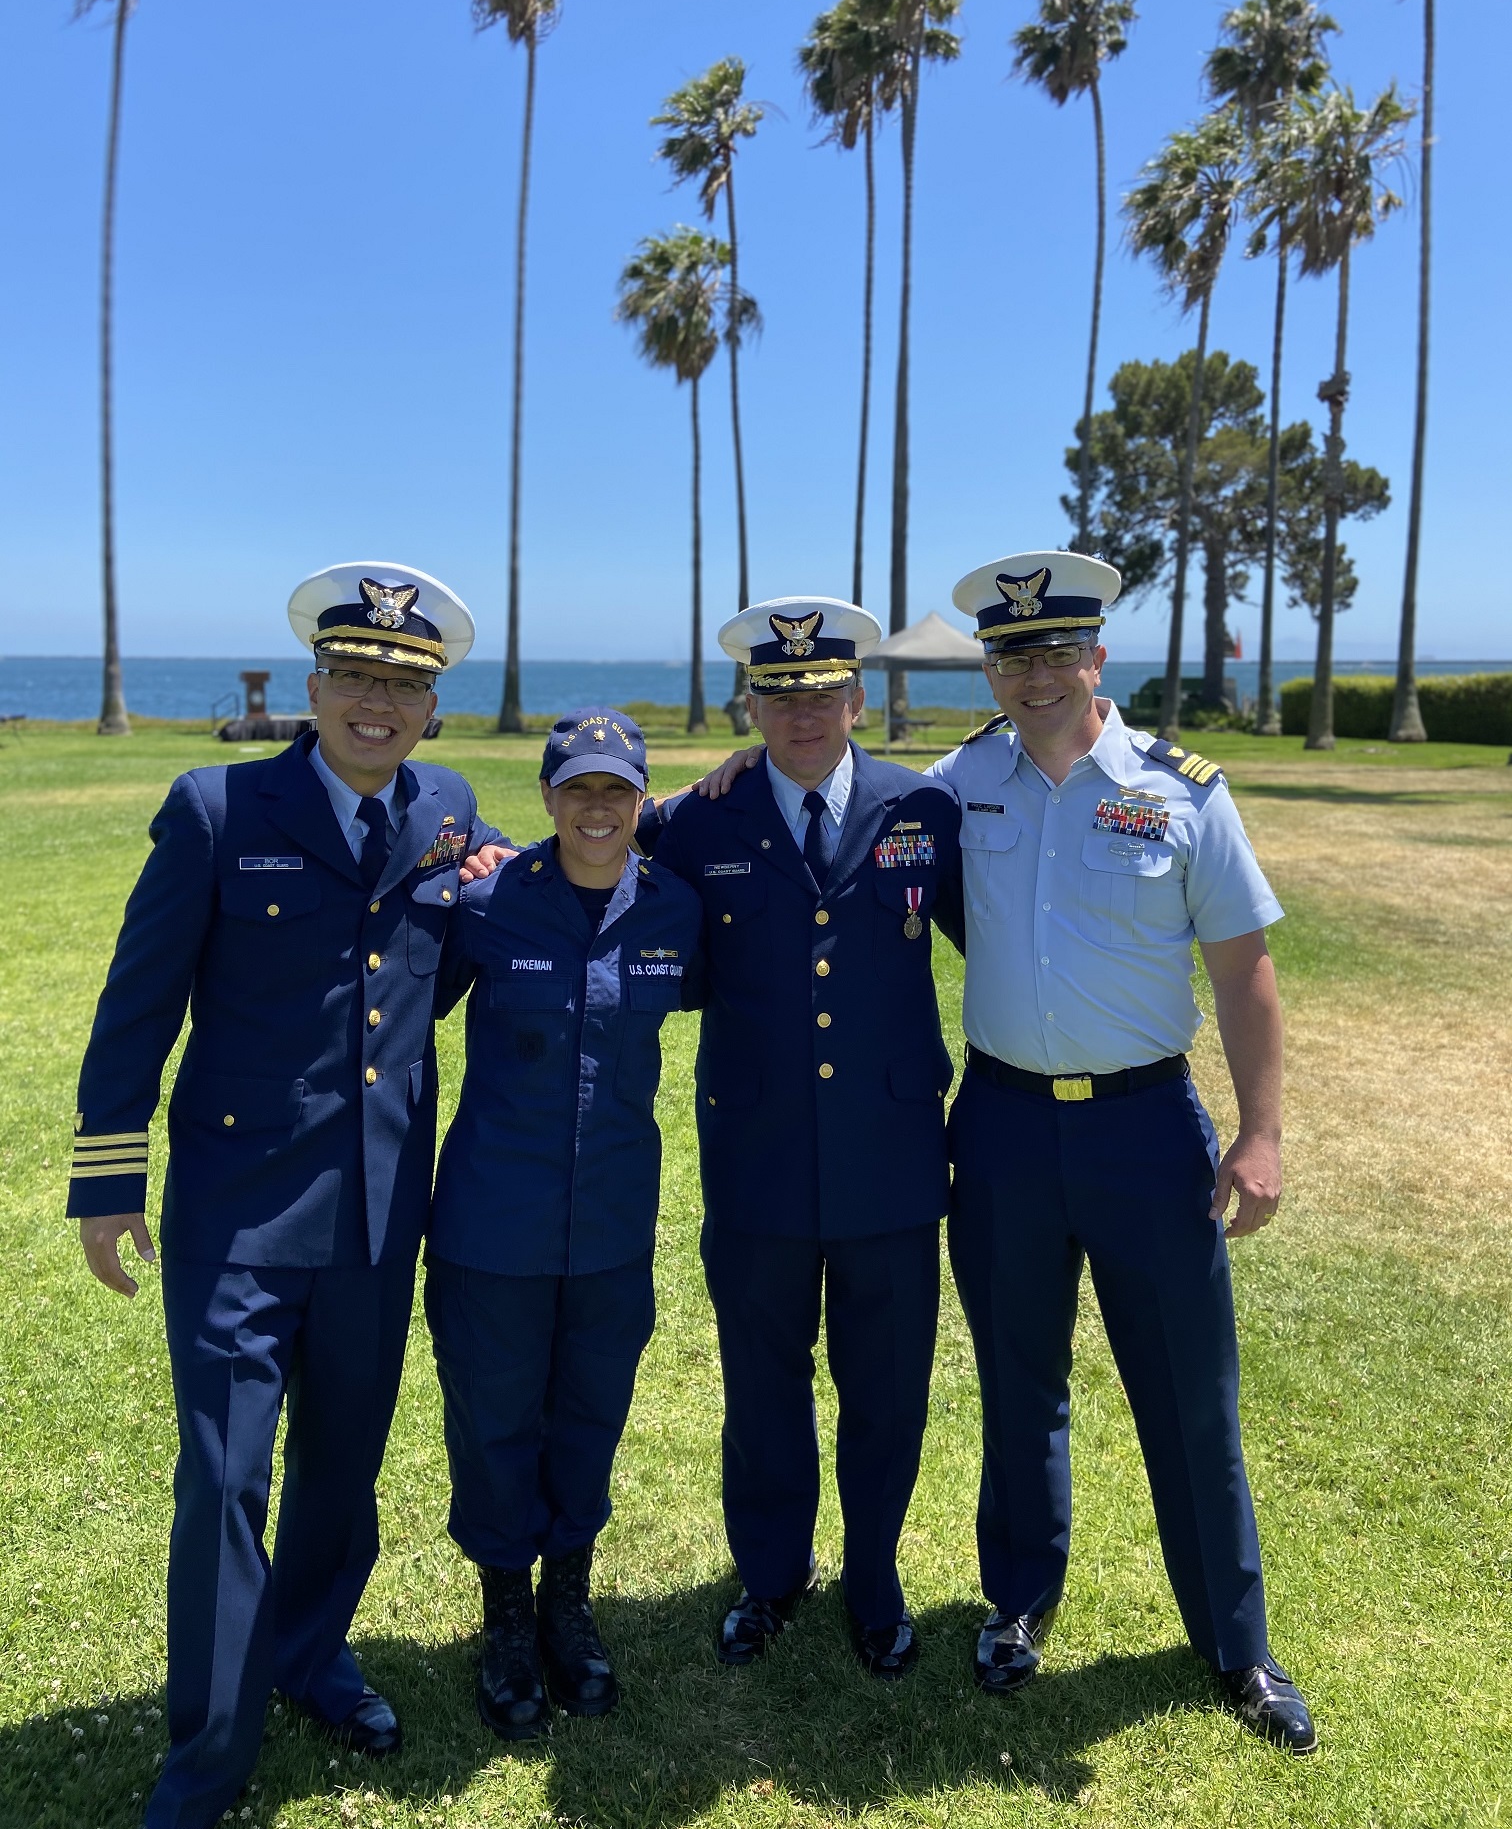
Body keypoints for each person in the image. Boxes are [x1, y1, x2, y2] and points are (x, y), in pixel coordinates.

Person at [68, 564, 507, 1829]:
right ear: (313, 689)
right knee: (222, 1479)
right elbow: (138, 1001)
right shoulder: (216, 809)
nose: (378, 702)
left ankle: (313, 1660)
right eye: (357, 676)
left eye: (405, 683)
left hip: (378, 1211)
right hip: (238, 1211)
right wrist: (107, 1179)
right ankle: (203, 1760)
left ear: (433, 706)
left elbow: (446, 967)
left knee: (341, 1474)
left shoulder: (451, 807)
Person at [925, 548, 1316, 1752]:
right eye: (1010, 655)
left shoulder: (1183, 790)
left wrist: (1258, 1132)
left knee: (1190, 1394)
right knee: (1019, 1381)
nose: (1033, 676)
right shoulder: (953, 784)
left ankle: (1236, 1647)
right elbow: (831, 797)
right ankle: (1019, 1603)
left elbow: (1244, 971)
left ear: (1098, 659)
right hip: (997, 1124)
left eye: (1054, 653)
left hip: (1147, 1130)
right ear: (990, 667)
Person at [640, 597, 963, 1679]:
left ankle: (873, 1581)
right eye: (778, 695)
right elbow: (607, 847)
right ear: (751, 706)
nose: (803, 712)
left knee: (886, 1389)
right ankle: (771, 1578)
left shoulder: (924, 807)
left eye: (822, 691)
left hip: (891, 1159)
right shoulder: (699, 823)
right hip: (759, 1156)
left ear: (857, 698)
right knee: (763, 1385)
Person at [424, 710, 703, 1740]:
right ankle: (505, 1615)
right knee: (494, 1425)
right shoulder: (487, 904)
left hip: (613, 1230)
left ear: (642, 802)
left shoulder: (676, 909)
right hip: (490, 1228)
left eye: (617, 792)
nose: (597, 809)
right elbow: (402, 1011)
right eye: (577, 790)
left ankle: (568, 1604)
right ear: (547, 799)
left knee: (589, 1417)